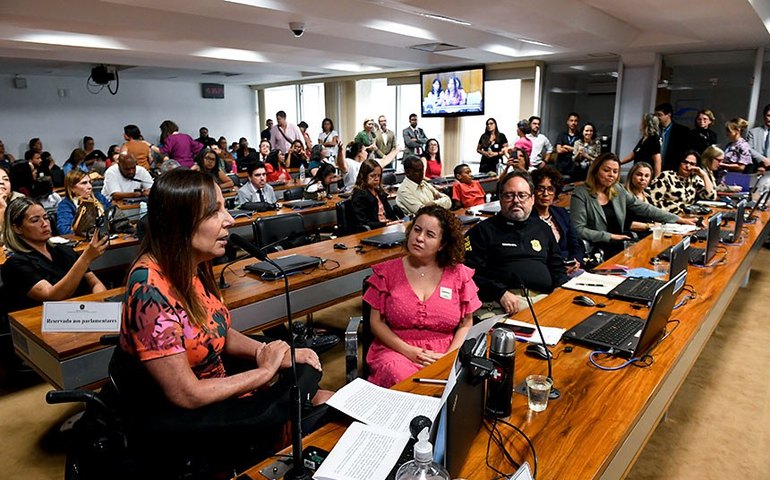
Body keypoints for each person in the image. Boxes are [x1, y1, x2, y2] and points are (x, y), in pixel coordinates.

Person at [117, 169, 330, 456]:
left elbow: (216, 332)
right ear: (179, 223)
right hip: (195, 421)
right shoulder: (149, 290)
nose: (229, 220)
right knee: (326, 421)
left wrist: (272, 353)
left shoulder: (192, 265)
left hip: (223, 393)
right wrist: (264, 370)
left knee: (328, 399)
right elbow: (187, 394)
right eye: (214, 212)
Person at [363, 205, 480, 388]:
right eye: (417, 230)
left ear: (442, 244)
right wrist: (409, 351)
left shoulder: (459, 274)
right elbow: (376, 323)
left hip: (445, 352)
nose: (419, 238)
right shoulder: (386, 272)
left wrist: (450, 356)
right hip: (396, 349)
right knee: (399, 376)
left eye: (430, 235)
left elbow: (466, 323)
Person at [464, 171, 568, 314]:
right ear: (500, 199)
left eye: (522, 195)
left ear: (532, 199)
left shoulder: (543, 228)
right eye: (509, 195)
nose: (516, 200)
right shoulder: (482, 231)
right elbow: (468, 273)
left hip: (544, 299)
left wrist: (559, 289)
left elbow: (557, 267)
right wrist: (500, 292)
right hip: (502, 302)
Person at [570, 153, 694, 259]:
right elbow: (579, 229)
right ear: (596, 170)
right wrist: (610, 236)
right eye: (606, 170)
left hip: (620, 244)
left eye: (615, 171)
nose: (611, 175)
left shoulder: (617, 189)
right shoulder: (581, 193)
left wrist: (679, 220)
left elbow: (645, 208)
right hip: (598, 248)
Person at [1, 197, 107, 312]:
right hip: (45, 323)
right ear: (17, 228)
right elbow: (52, 296)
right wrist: (86, 258)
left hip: (84, 315)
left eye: (46, 218)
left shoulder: (65, 250)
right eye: (35, 220)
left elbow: (95, 283)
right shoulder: (15, 264)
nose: (44, 224)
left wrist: (98, 305)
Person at [531, 167, 585, 275]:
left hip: (571, 269)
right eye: (541, 189)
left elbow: (576, 245)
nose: (545, 194)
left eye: (550, 189)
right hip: (547, 272)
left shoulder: (561, 213)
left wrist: (576, 261)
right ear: (533, 191)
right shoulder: (528, 218)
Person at [648, 150, 716, 214]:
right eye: (685, 162)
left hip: (687, 217)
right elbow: (654, 201)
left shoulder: (694, 179)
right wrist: (679, 211)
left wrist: (704, 175)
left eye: (692, 164)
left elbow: (711, 196)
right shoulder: (666, 176)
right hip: (668, 215)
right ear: (680, 162)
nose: (687, 166)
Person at [350, 159, 401, 231]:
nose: (377, 179)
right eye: (373, 176)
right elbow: (364, 222)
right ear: (363, 176)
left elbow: (390, 213)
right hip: (375, 230)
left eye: (379, 176)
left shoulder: (380, 192)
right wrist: (385, 224)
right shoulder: (359, 196)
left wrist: (396, 222)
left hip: (387, 227)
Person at [57, 170, 112, 236]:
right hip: (85, 241)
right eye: (84, 183)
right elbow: (64, 230)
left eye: (90, 182)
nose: (90, 187)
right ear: (72, 188)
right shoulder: (66, 205)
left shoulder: (99, 197)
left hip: (108, 235)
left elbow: (112, 214)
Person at [621, 113, 662, 177]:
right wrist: (620, 162)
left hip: (646, 175)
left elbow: (657, 161)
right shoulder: (644, 138)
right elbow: (634, 153)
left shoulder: (654, 139)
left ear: (646, 124)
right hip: (638, 171)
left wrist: (656, 179)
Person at [655, 102, 690, 172]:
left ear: (669, 115)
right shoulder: (654, 130)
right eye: (656, 115)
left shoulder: (682, 131)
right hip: (655, 168)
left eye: (660, 115)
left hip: (673, 170)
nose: (657, 118)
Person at [623, 162, 655, 233]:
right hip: (632, 236)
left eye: (646, 176)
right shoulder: (624, 195)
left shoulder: (648, 196)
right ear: (631, 176)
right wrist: (649, 226)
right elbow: (624, 223)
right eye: (639, 175)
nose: (643, 178)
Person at [0, 166, 26, 245]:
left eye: (6, 179)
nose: (1, 182)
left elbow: (22, 235)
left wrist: (4, 209)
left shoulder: (18, 200)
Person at [554, 112, 581, 178]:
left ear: (578, 123)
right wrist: (574, 150)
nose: (573, 123)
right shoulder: (562, 134)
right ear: (567, 122)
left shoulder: (580, 136)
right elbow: (559, 150)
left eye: (575, 121)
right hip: (561, 167)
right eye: (571, 120)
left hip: (574, 168)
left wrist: (566, 146)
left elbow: (581, 151)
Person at [747, 103, 770, 172]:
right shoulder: (753, 132)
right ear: (764, 116)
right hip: (754, 167)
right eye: (769, 115)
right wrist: (763, 160)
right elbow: (749, 149)